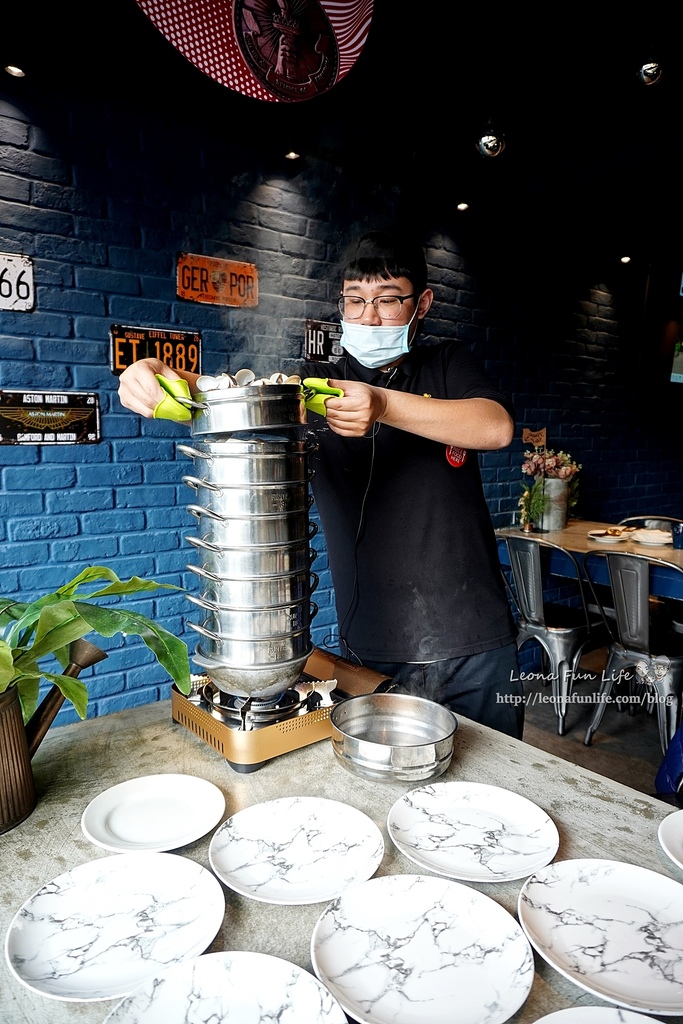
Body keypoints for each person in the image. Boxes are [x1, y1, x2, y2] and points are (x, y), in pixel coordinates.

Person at [117, 230, 524, 737]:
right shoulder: (316, 388)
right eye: (355, 302)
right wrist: (156, 370)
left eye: (387, 301)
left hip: (474, 641)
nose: (369, 317)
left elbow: (495, 426)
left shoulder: (447, 365)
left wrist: (383, 405)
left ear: (422, 304)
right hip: (372, 642)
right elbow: (231, 394)